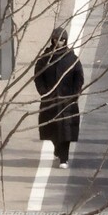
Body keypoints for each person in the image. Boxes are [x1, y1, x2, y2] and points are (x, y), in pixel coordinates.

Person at [34, 26, 84, 169]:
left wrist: (74, 94)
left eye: (62, 40)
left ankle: (64, 158)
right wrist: (44, 92)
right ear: (52, 40)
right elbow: (38, 77)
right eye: (56, 39)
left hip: (67, 100)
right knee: (53, 129)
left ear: (66, 40)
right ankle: (57, 149)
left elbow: (79, 78)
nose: (59, 42)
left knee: (66, 130)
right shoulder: (44, 59)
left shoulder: (72, 58)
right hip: (50, 99)